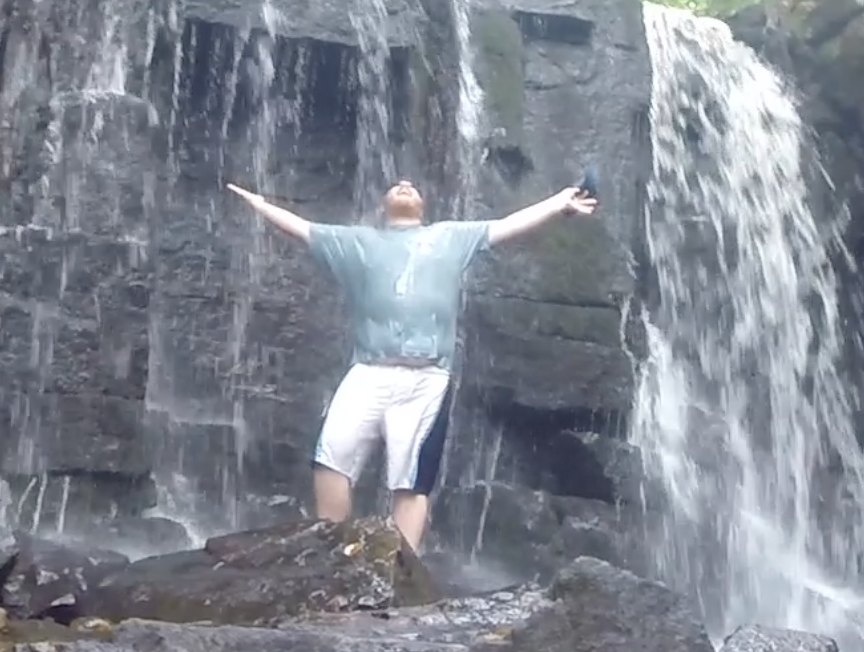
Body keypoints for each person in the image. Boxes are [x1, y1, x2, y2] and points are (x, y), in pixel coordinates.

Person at [226, 176, 598, 552]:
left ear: (423, 206)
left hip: (428, 378)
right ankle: (331, 552)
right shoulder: (356, 242)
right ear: (382, 204)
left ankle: (398, 567)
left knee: (412, 479)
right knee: (330, 456)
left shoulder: (452, 237)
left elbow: (507, 226)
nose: (404, 183)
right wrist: (259, 204)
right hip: (369, 371)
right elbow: (301, 229)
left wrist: (557, 204)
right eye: (395, 185)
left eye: (413, 185)